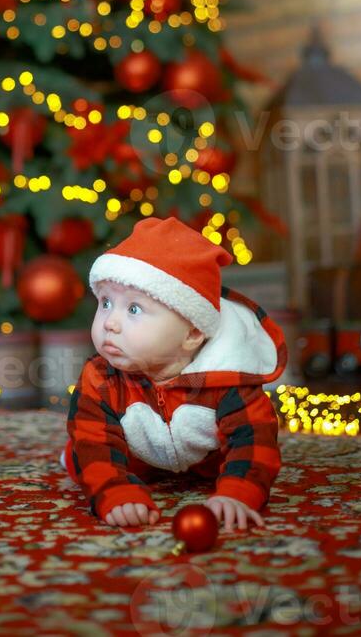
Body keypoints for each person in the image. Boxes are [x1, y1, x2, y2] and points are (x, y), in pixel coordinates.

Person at [59, 216, 287, 531]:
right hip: (137, 458)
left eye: (134, 309)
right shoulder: (101, 377)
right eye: (106, 303)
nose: (110, 322)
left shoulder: (229, 377)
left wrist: (239, 492)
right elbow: (94, 439)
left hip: (206, 462)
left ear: (192, 333)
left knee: (243, 456)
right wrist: (115, 492)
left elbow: (254, 440)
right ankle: (82, 463)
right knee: (84, 457)